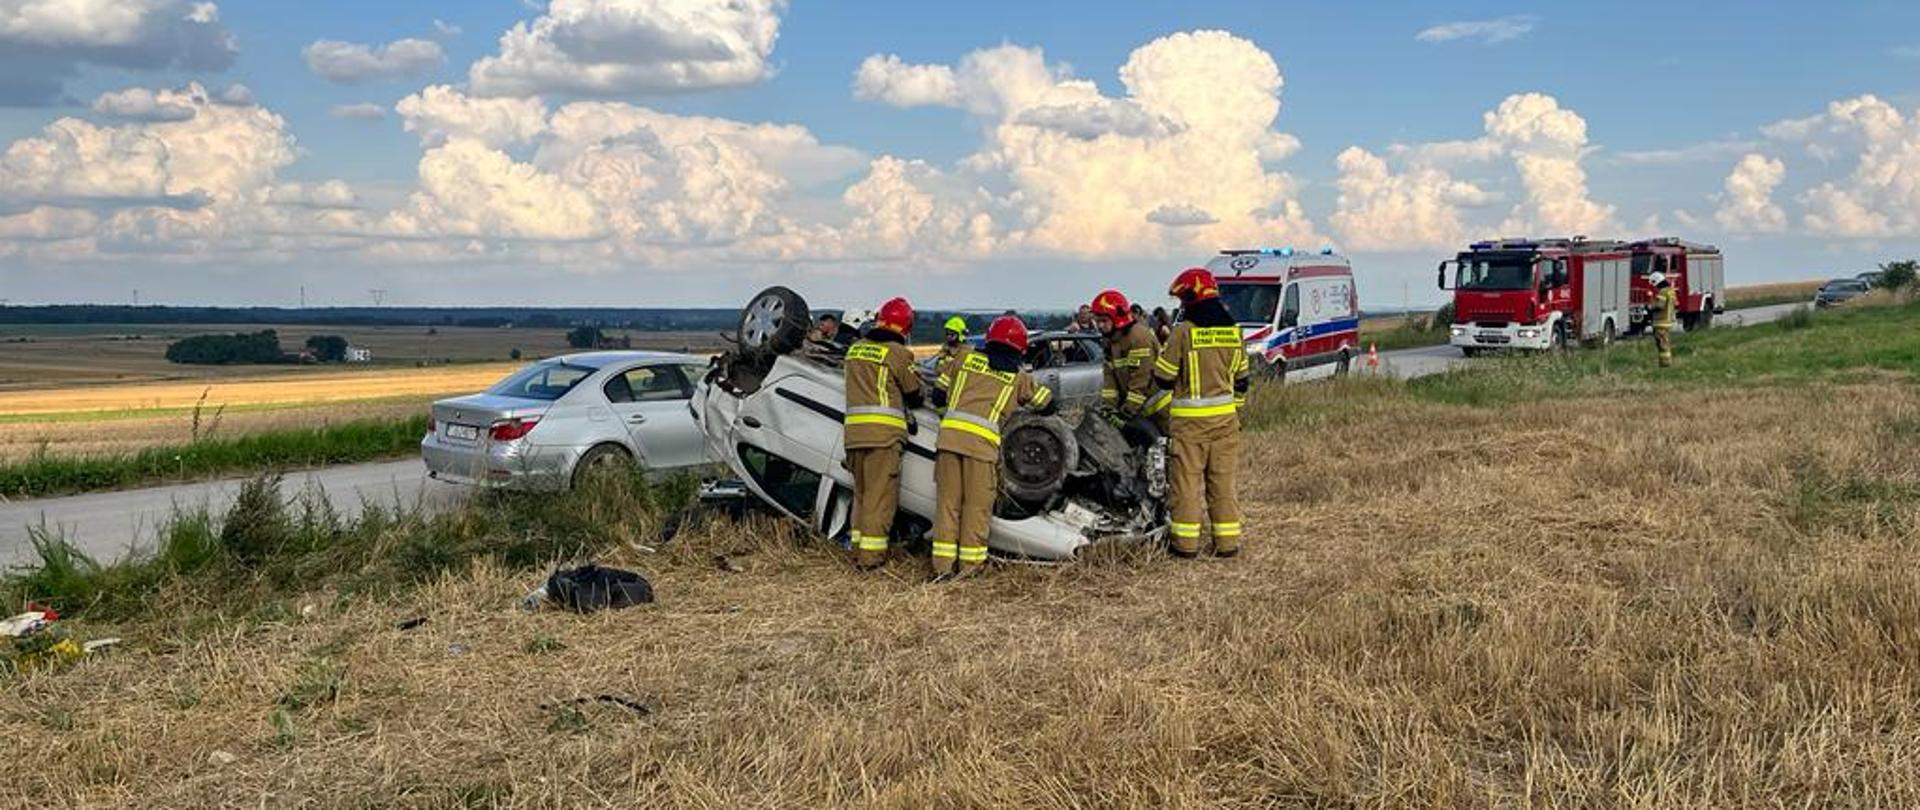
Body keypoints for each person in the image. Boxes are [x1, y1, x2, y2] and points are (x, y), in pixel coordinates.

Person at [929, 316, 1053, 580]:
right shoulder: (1018, 376)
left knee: (948, 505)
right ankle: (970, 569)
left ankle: (942, 569)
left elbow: (938, 394)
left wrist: (947, 417)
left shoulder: (963, 358)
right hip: (981, 447)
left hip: (948, 441)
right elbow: (1045, 403)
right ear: (1020, 347)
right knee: (976, 508)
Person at [1153, 268, 1251, 559]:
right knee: (1223, 484)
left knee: (1186, 485)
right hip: (1226, 424)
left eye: (1183, 299)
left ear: (1192, 298)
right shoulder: (1234, 332)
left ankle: (1185, 546)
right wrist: (1234, 413)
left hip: (1190, 426)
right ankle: (1227, 544)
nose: (1181, 306)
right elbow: (1242, 381)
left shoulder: (1184, 332)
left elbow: (1163, 377)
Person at [841, 297, 923, 569]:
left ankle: (857, 549)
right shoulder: (897, 353)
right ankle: (871, 558)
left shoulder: (855, 350)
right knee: (880, 497)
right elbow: (914, 393)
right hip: (883, 437)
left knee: (862, 494)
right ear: (905, 328)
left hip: (854, 436)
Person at [1090, 289, 1169, 436]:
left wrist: (1127, 410)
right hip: (1140, 410)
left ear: (1117, 318)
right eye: (1097, 321)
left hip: (1160, 409)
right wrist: (1108, 408)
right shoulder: (1110, 341)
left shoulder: (1138, 337)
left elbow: (1142, 378)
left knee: (1168, 450)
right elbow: (1110, 379)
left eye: (1104, 321)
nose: (1099, 325)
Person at [1650, 271, 1677, 368]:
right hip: (1667, 321)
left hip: (1660, 322)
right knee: (1665, 343)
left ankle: (1665, 365)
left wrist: (1650, 307)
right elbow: (1675, 304)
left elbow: (1660, 306)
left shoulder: (1662, 292)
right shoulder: (1671, 291)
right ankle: (1666, 363)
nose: (1655, 287)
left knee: (1662, 345)